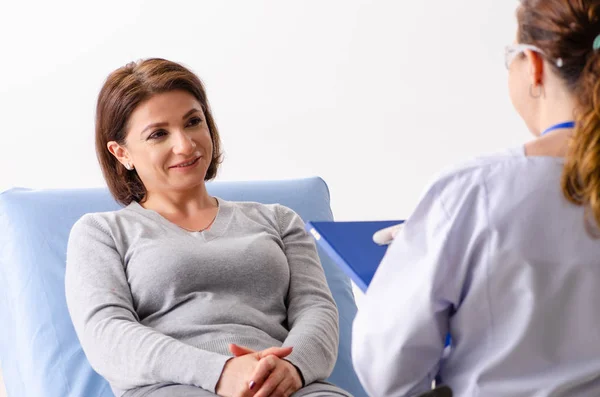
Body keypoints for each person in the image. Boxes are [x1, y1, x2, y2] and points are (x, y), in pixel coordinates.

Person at [352, 0, 600, 396]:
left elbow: (388, 365)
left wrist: (429, 252)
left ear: (534, 66)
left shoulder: (475, 191)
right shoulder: (474, 193)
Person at [64, 58, 351, 397]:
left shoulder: (279, 219)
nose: (185, 145)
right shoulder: (101, 233)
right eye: (158, 134)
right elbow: (107, 335)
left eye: (193, 122)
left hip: (285, 386)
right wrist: (220, 372)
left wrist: (292, 368)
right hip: (173, 388)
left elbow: (316, 309)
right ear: (122, 153)